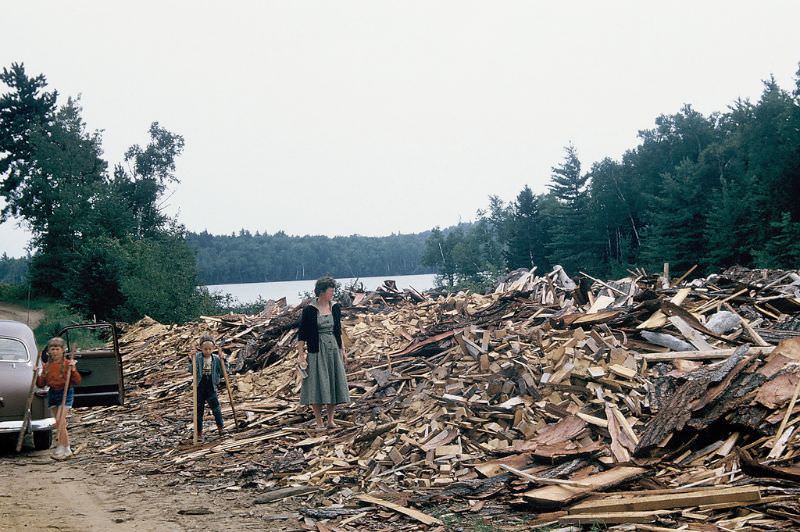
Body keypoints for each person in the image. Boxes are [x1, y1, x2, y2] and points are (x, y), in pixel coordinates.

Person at [297, 276, 350, 430]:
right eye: (330, 291)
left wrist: (343, 350)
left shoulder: (335, 307)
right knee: (317, 384)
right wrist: (301, 356)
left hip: (332, 348)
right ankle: (319, 421)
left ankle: (331, 420)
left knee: (333, 382)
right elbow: (302, 334)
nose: (332, 293)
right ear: (321, 292)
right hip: (316, 350)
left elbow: (338, 330)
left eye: (333, 291)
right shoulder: (310, 310)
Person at [36, 337, 81, 460]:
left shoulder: (67, 364)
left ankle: (64, 447)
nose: (55, 351)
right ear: (49, 351)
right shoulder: (47, 366)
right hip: (53, 394)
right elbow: (41, 384)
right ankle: (65, 448)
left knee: (60, 421)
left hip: (65, 393)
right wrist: (36, 375)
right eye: (52, 349)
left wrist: (73, 369)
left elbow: (77, 381)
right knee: (59, 423)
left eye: (57, 349)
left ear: (62, 350)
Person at [187, 335, 225, 441]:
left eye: (210, 349)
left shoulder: (216, 359)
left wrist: (224, 361)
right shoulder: (197, 357)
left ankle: (221, 428)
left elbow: (223, 372)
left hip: (211, 385)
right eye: (205, 349)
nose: (207, 351)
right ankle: (199, 433)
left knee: (216, 408)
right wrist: (191, 360)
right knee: (199, 410)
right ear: (200, 348)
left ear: (213, 349)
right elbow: (191, 370)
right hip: (200, 386)